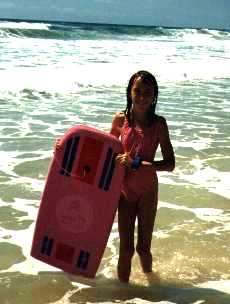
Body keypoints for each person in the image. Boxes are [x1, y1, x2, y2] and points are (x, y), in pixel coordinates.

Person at [110, 70, 175, 283]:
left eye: (148, 92)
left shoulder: (159, 124)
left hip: (148, 191)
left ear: (154, 96)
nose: (142, 97)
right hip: (125, 191)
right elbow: (104, 149)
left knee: (143, 248)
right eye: (137, 91)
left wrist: (136, 163)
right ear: (129, 92)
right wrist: (66, 147)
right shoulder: (121, 119)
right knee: (126, 249)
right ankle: (122, 294)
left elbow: (169, 163)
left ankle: (153, 285)